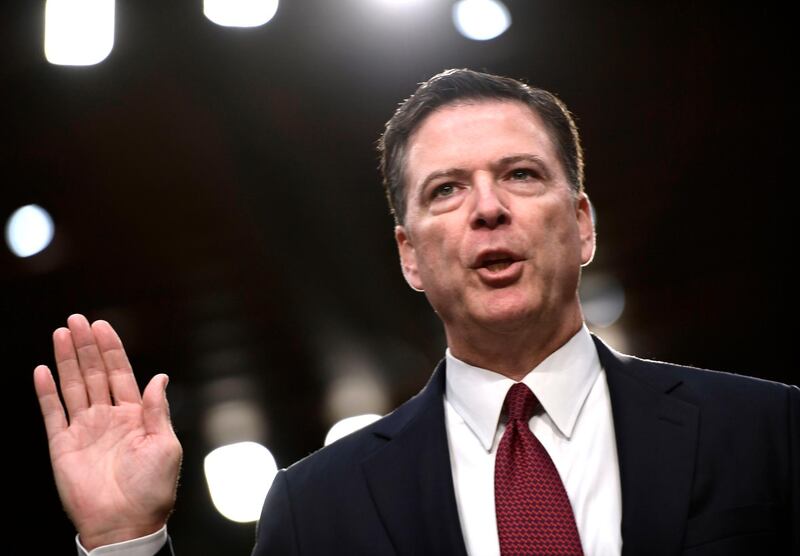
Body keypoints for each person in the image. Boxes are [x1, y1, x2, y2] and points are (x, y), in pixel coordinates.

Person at [34, 69, 799, 556]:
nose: (489, 209)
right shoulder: (315, 509)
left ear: (584, 224)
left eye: (522, 175)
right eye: (446, 190)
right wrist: (123, 541)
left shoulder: (769, 434)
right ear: (408, 256)